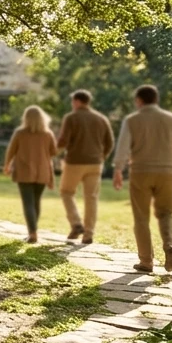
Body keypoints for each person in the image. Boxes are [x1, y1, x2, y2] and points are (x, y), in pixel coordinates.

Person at [112, 84, 172, 273]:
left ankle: (146, 261)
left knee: (141, 217)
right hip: (167, 172)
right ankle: (169, 245)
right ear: (156, 99)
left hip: (140, 172)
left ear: (139, 101)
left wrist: (118, 169)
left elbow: (123, 147)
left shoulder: (132, 120)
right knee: (166, 213)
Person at [56, 89, 114, 244]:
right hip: (95, 164)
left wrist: (52, 151)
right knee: (91, 198)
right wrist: (102, 156)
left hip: (74, 162)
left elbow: (63, 141)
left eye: (72, 102)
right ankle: (88, 234)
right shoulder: (101, 118)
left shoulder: (71, 118)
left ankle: (76, 224)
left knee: (66, 192)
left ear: (76, 101)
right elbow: (110, 142)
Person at [4, 105, 58, 243]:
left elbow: (11, 150)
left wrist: (7, 165)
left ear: (26, 118)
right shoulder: (48, 134)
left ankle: (32, 233)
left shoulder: (20, 133)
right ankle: (33, 231)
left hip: (24, 172)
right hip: (42, 172)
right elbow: (53, 153)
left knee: (28, 203)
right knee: (36, 202)